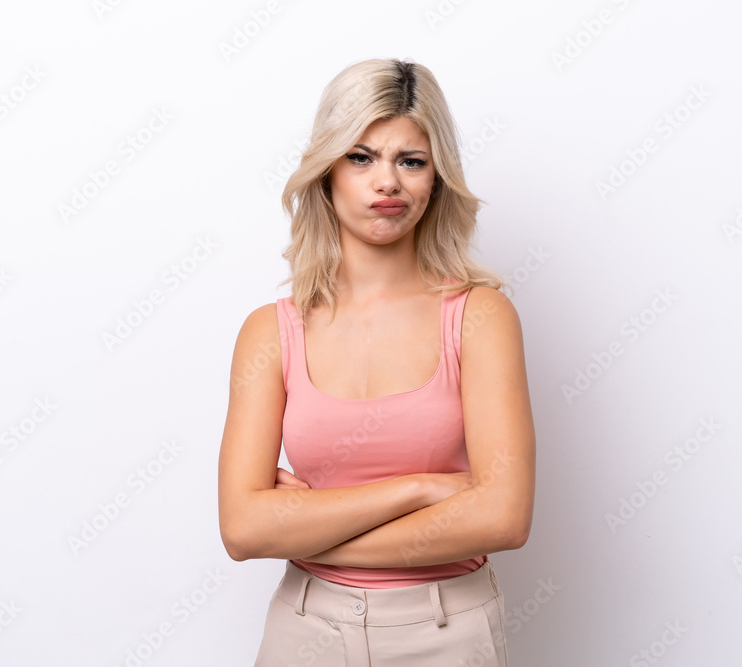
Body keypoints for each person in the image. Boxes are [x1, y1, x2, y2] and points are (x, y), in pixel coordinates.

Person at [218, 57, 536, 666]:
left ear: (436, 179)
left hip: (447, 630)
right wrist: (421, 489)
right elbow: (242, 529)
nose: (387, 182)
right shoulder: (269, 332)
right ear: (327, 172)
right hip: (305, 631)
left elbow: (504, 517)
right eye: (361, 157)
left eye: (411, 161)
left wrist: (304, 525)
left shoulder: (480, 318)